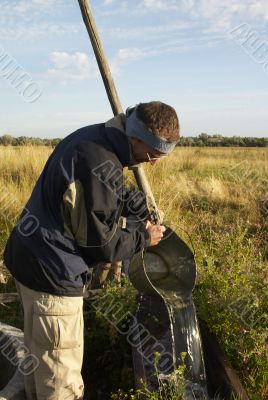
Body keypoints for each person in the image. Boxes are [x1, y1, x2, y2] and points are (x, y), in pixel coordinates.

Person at [4, 101, 180, 400]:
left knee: (38, 360)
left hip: (30, 261)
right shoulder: (101, 162)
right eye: (152, 155)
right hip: (53, 275)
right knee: (61, 377)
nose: (152, 164)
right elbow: (100, 244)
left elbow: (110, 192)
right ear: (135, 138)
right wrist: (143, 237)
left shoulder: (94, 139)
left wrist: (139, 206)